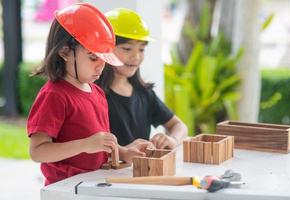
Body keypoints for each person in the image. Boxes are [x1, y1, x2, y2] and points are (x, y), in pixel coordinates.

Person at [27, 3, 148, 186]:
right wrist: (85, 144)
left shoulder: (96, 91)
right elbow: (38, 151)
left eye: (104, 58)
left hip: (93, 184)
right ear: (65, 52)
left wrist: (123, 152)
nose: (101, 65)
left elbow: (98, 146)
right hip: (66, 189)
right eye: (93, 57)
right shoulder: (54, 95)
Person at [95, 8, 188, 150]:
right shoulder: (93, 94)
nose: (136, 57)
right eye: (127, 49)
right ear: (105, 48)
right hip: (105, 172)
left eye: (141, 49)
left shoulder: (144, 93)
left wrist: (172, 139)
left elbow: (178, 125)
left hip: (141, 170)